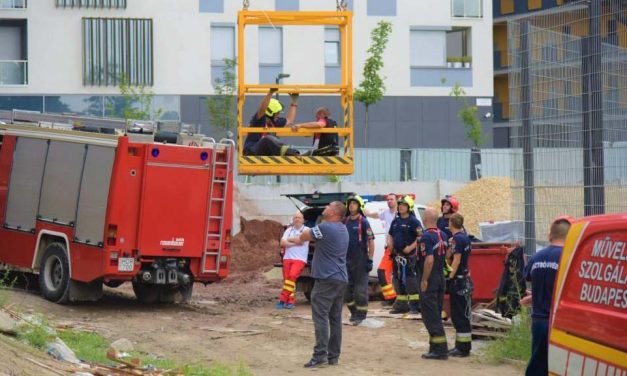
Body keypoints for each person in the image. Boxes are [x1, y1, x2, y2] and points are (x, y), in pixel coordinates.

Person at [294, 201, 349, 368]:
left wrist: (297, 233)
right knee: (335, 318)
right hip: (340, 278)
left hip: (326, 279)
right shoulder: (343, 229)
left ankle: (319, 356)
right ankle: (333, 356)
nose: (325, 207)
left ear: (334, 212)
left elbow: (304, 236)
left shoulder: (325, 227)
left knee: (321, 317)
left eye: (328, 206)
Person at [523, 216, 573, 376]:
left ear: (550, 235)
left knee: (537, 365)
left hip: (539, 322)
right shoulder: (569, 259)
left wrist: (534, 296)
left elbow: (534, 280)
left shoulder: (536, 258)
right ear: (570, 236)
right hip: (560, 323)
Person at [418, 207, 449, 360]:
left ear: (425, 219)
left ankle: (441, 350)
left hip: (430, 279)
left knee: (430, 316)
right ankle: (434, 347)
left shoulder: (426, 237)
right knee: (435, 312)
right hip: (440, 278)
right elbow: (446, 254)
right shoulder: (442, 234)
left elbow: (428, 260)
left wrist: (424, 279)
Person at [387, 195, 422, 314]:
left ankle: (415, 306)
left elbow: (420, 237)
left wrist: (410, 248)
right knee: (397, 280)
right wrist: (390, 245)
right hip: (396, 255)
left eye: (404, 205)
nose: (401, 207)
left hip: (409, 257)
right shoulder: (395, 221)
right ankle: (401, 305)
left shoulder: (414, 221)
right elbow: (390, 234)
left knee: (411, 280)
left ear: (409, 207)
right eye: (400, 205)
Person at [343, 195, 375, 325]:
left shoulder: (364, 222)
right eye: (350, 203)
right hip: (346, 259)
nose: (351, 206)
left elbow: (371, 242)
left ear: (359, 206)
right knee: (346, 289)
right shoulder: (345, 221)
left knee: (359, 290)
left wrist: (370, 260)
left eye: (354, 204)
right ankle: (353, 312)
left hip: (360, 259)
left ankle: (361, 315)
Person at [243, 88, 300, 156]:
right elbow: (262, 109)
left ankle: (295, 155)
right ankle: (293, 154)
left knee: (269, 140)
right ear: (270, 113)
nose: (278, 115)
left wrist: (294, 102)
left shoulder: (274, 122)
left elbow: (289, 120)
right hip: (251, 152)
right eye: (277, 113)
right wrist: (270, 92)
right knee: (267, 139)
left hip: (266, 153)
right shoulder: (258, 120)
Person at [446, 213, 472, 357]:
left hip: (458, 281)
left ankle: (462, 348)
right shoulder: (465, 238)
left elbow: (456, 260)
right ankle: (463, 346)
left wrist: (449, 276)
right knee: (463, 315)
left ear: (451, 223)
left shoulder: (456, 239)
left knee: (458, 315)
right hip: (465, 279)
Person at [365, 193, 398, 306]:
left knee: (401, 277)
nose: (389, 201)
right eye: (388, 199)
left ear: (396, 201)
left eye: (392, 199)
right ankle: (391, 298)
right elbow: (374, 215)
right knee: (382, 272)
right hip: (388, 248)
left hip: (400, 249)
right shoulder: (386, 213)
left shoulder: (401, 214)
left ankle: (400, 300)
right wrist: (364, 209)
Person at [276, 212, 309, 310]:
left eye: (299, 218)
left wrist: (289, 240)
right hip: (287, 258)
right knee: (288, 280)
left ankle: (282, 299)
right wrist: (294, 242)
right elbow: (282, 243)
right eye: (295, 218)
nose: (297, 219)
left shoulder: (307, 230)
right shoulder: (289, 230)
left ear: (303, 220)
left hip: (300, 259)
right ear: (293, 220)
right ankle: (290, 301)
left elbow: (301, 241)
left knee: (292, 276)